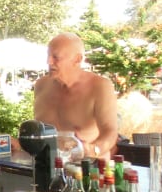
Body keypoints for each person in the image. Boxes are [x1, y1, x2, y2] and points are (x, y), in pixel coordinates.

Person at [33, 32, 118, 160]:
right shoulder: (41, 85)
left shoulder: (100, 86)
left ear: (77, 59)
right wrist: (19, 144)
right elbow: (38, 133)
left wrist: (93, 149)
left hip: (88, 166)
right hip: (47, 165)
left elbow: (110, 132)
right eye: (48, 56)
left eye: (56, 57)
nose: (48, 62)